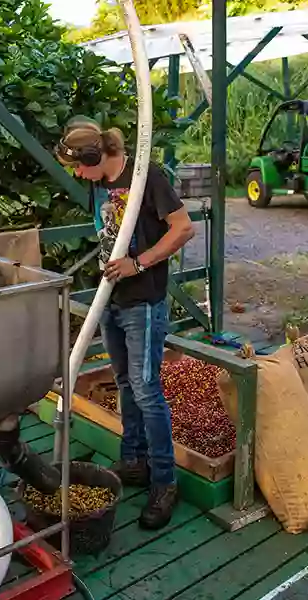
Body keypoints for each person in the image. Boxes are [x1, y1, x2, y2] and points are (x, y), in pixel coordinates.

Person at [55, 118, 194, 530]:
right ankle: (133, 460)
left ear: (96, 156)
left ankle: (165, 482)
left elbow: (183, 228)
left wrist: (140, 263)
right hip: (111, 299)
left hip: (143, 300)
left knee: (148, 390)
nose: (79, 175)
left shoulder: (146, 177)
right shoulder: (100, 181)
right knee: (125, 382)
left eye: (80, 167)